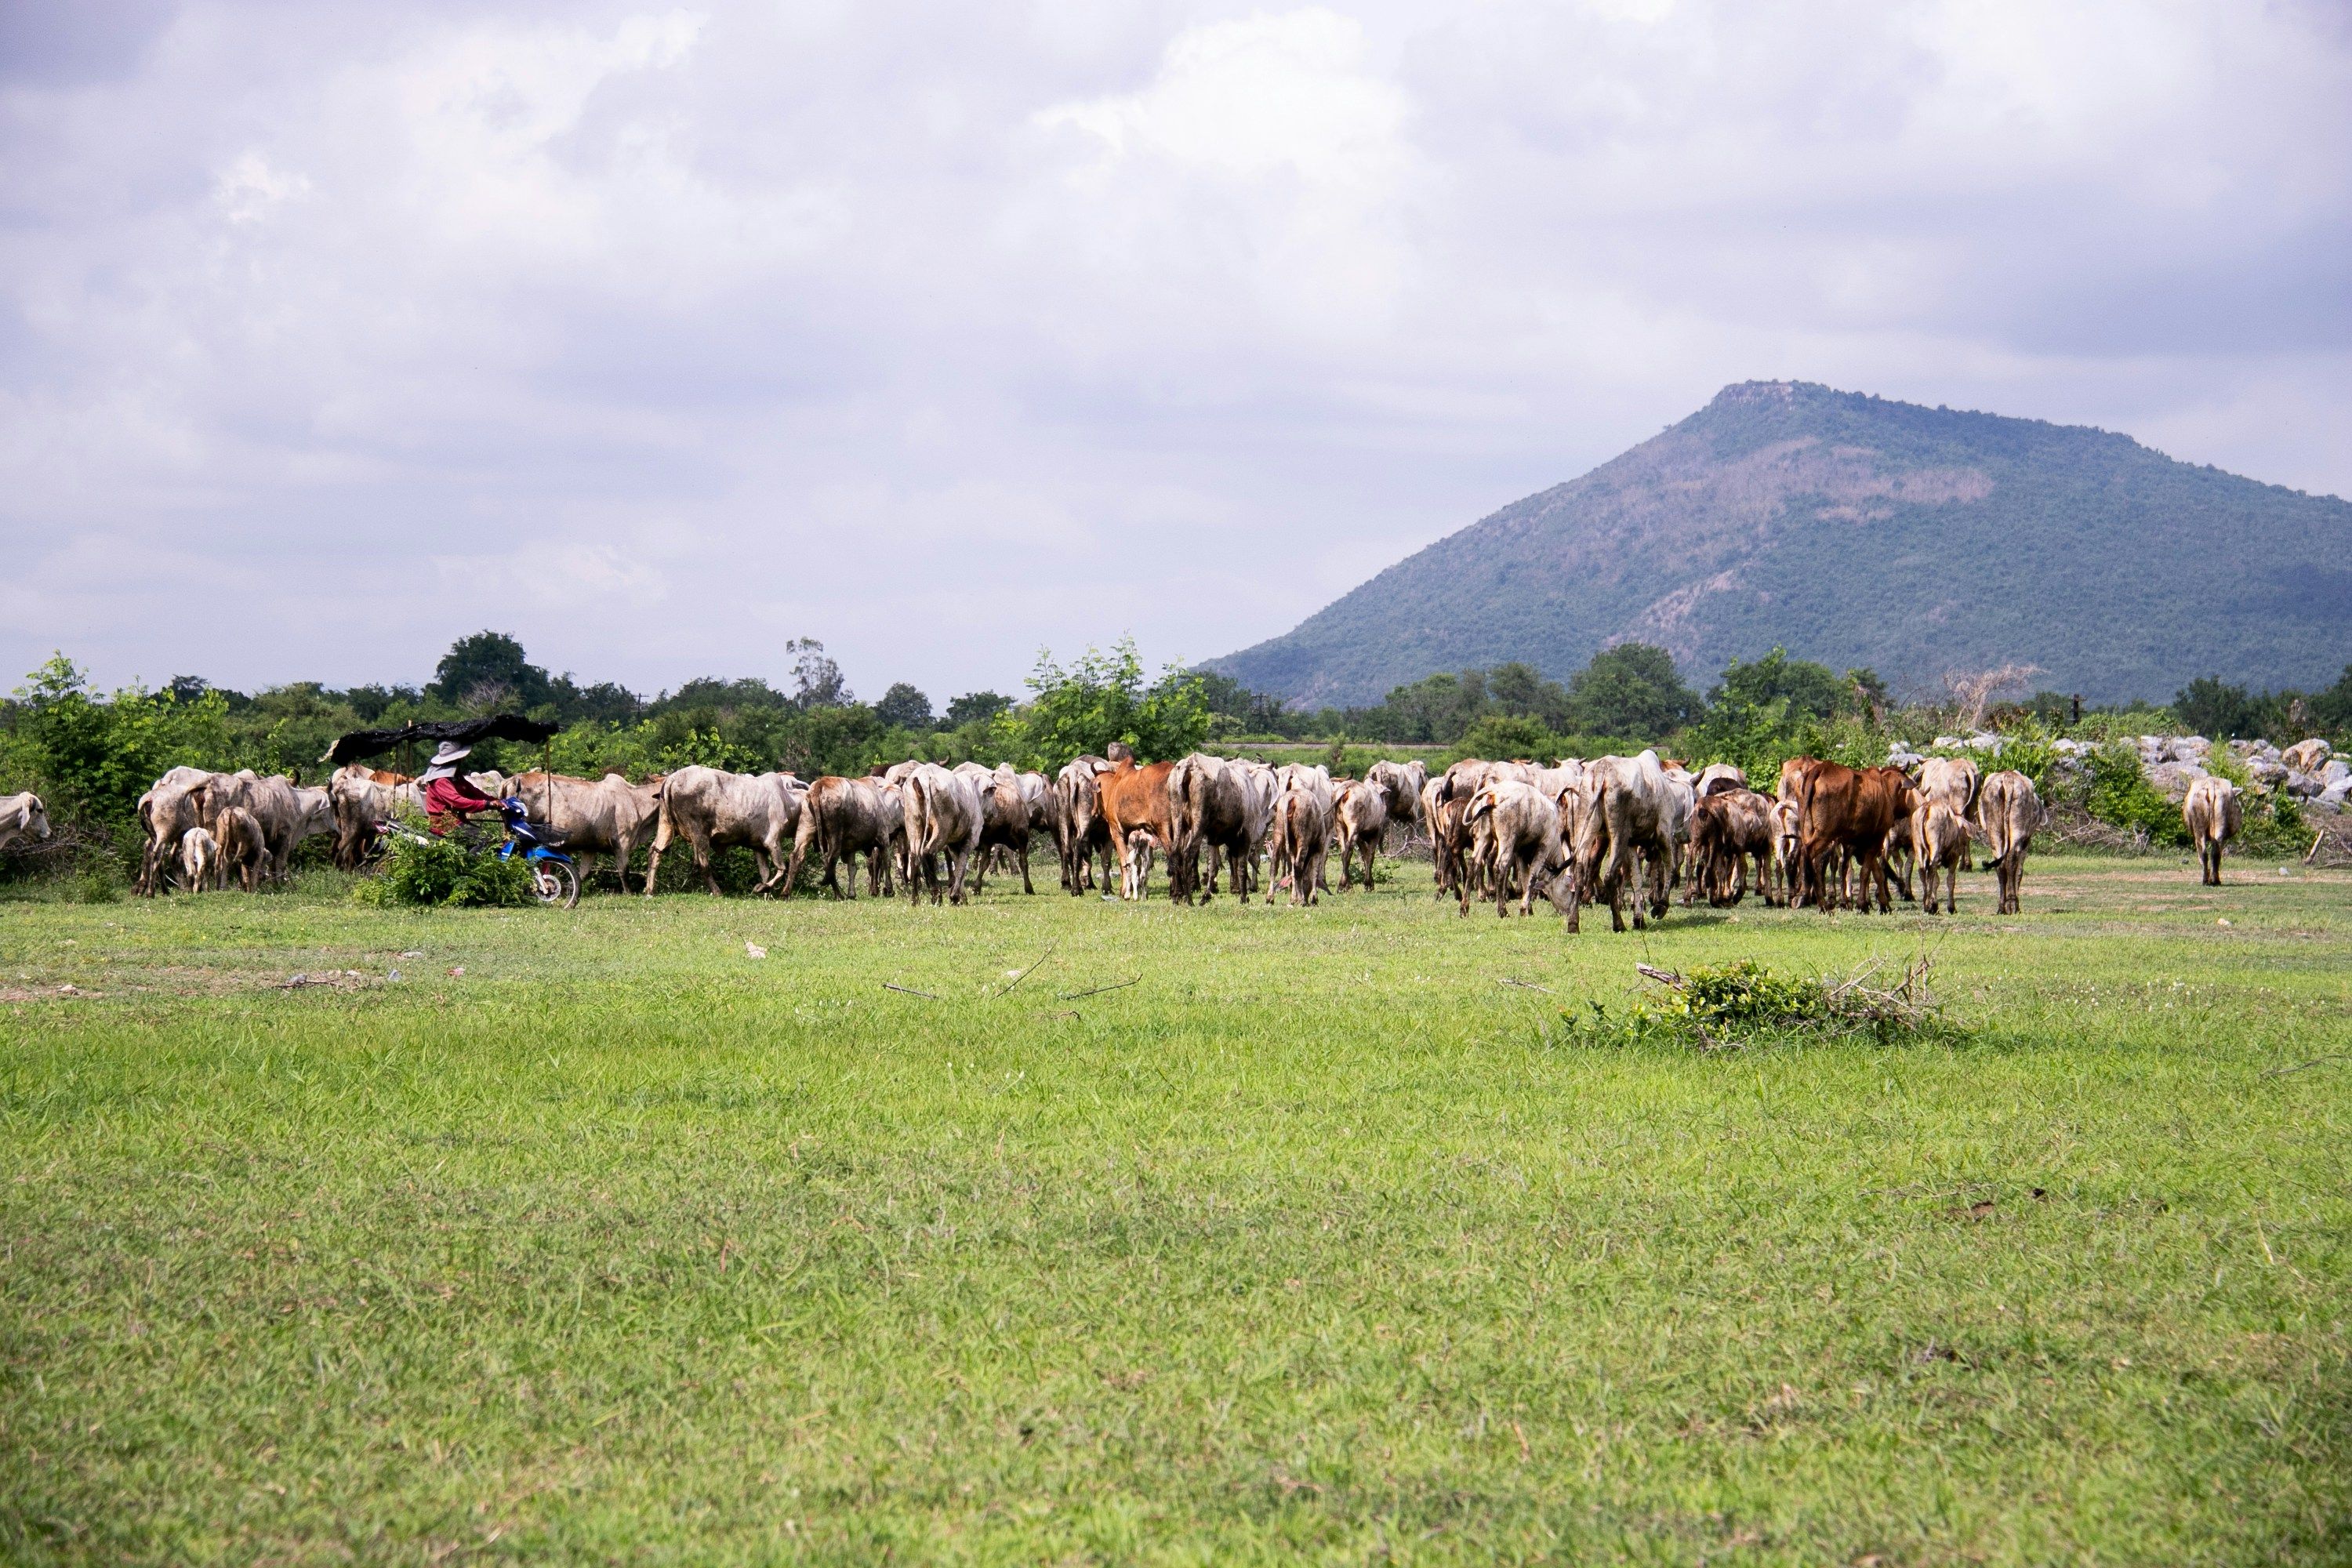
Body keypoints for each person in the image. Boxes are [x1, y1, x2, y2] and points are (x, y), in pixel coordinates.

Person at [419, 742, 505, 835]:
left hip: (458, 821)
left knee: (487, 836)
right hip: (444, 824)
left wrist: (495, 800)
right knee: (485, 839)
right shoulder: (441, 781)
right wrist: (487, 804)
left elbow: (473, 791)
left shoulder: (456, 777)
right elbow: (457, 801)